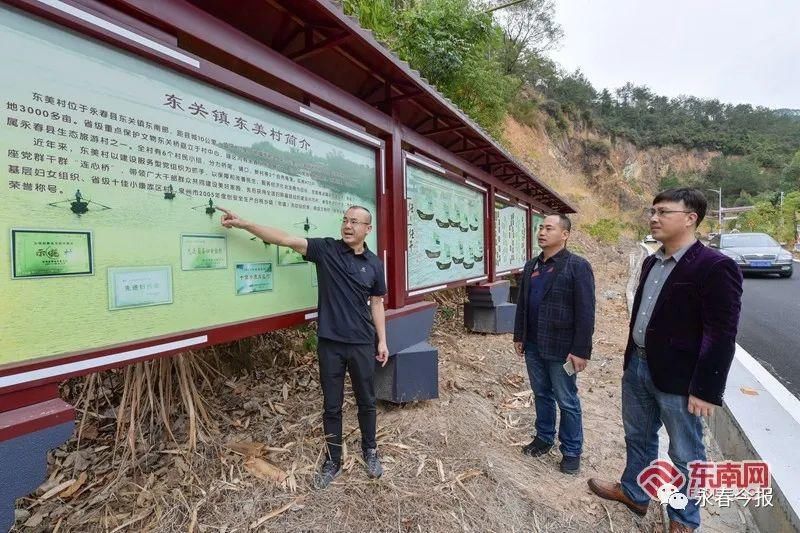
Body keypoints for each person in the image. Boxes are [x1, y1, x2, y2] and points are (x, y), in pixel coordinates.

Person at [587, 188, 743, 533]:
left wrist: (706, 388)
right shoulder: (651, 260)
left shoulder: (715, 267)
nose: (654, 218)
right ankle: (634, 492)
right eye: (652, 211)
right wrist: (631, 361)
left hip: (681, 378)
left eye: (663, 212)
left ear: (691, 218)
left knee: (686, 453)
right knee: (638, 436)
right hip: (639, 366)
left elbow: (721, 333)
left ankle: (684, 520)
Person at [218, 205, 389, 489]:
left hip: (361, 342)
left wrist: (382, 340)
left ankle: (370, 450)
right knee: (331, 406)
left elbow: (377, 302)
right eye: (345, 220)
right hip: (330, 344)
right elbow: (284, 239)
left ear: (367, 229)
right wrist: (244, 224)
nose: (347, 226)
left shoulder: (373, 263)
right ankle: (333, 460)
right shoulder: (326, 250)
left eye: (355, 222)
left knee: (367, 401)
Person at [513, 214, 596, 474]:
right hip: (534, 345)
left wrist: (581, 350)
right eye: (541, 227)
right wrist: (519, 335)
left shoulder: (577, 266)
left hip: (562, 348)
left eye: (549, 228)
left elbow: (586, 311)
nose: (542, 232)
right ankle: (543, 438)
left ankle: (571, 451)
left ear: (565, 234)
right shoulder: (531, 266)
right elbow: (523, 305)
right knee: (541, 394)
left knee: (567, 399)